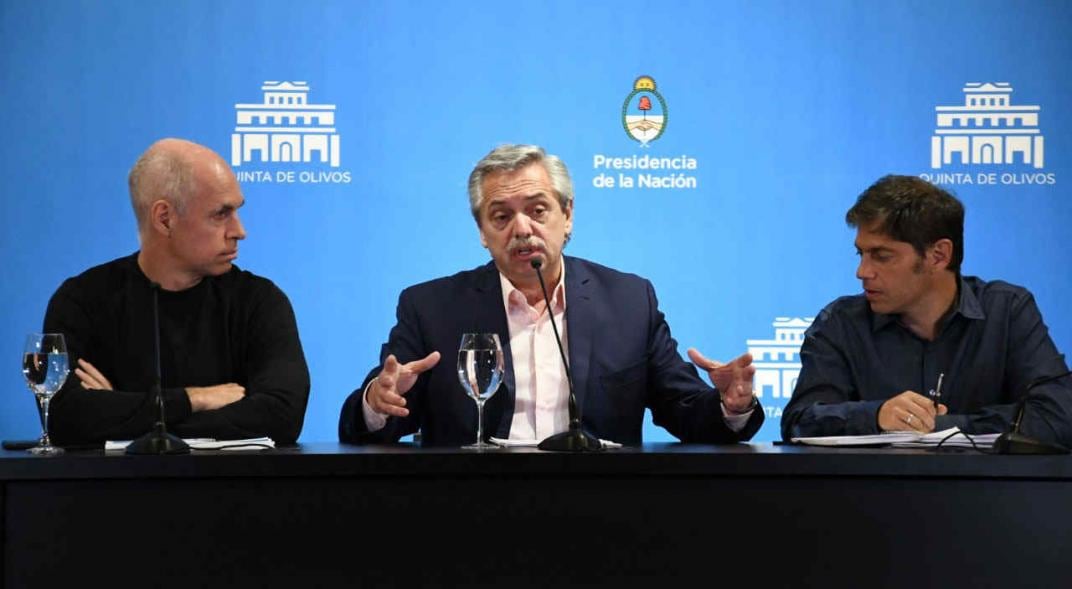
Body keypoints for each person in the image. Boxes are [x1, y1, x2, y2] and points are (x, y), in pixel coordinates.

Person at [339, 144, 762, 446]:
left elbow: (685, 410)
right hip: (470, 510)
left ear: (568, 215)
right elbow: (379, 420)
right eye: (501, 216)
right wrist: (377, 402)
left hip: (602, 512)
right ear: (482, 234)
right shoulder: (431, 308)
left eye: (538, 210)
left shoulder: (630, 302)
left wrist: (730, 405)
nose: (522, 229)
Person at [43, 138, 310, 445]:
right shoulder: (82, 300)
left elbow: (282, 416)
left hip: (232, 490)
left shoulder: (259, 301)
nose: (239, 231)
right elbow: (63, 418)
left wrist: (133, 413)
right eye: (221, 214)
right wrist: (192, 399)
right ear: (164, 218)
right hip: (117, 492)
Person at [782, 175, 1071, 445]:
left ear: (939, 255)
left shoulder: (1006, 311)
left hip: (988, 496)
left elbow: (1057, 418)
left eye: (882, 256)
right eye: (861, 254)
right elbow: (799, 422)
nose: (862, 271)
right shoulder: (841, 323)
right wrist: (877, 416)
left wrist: (937, 425)